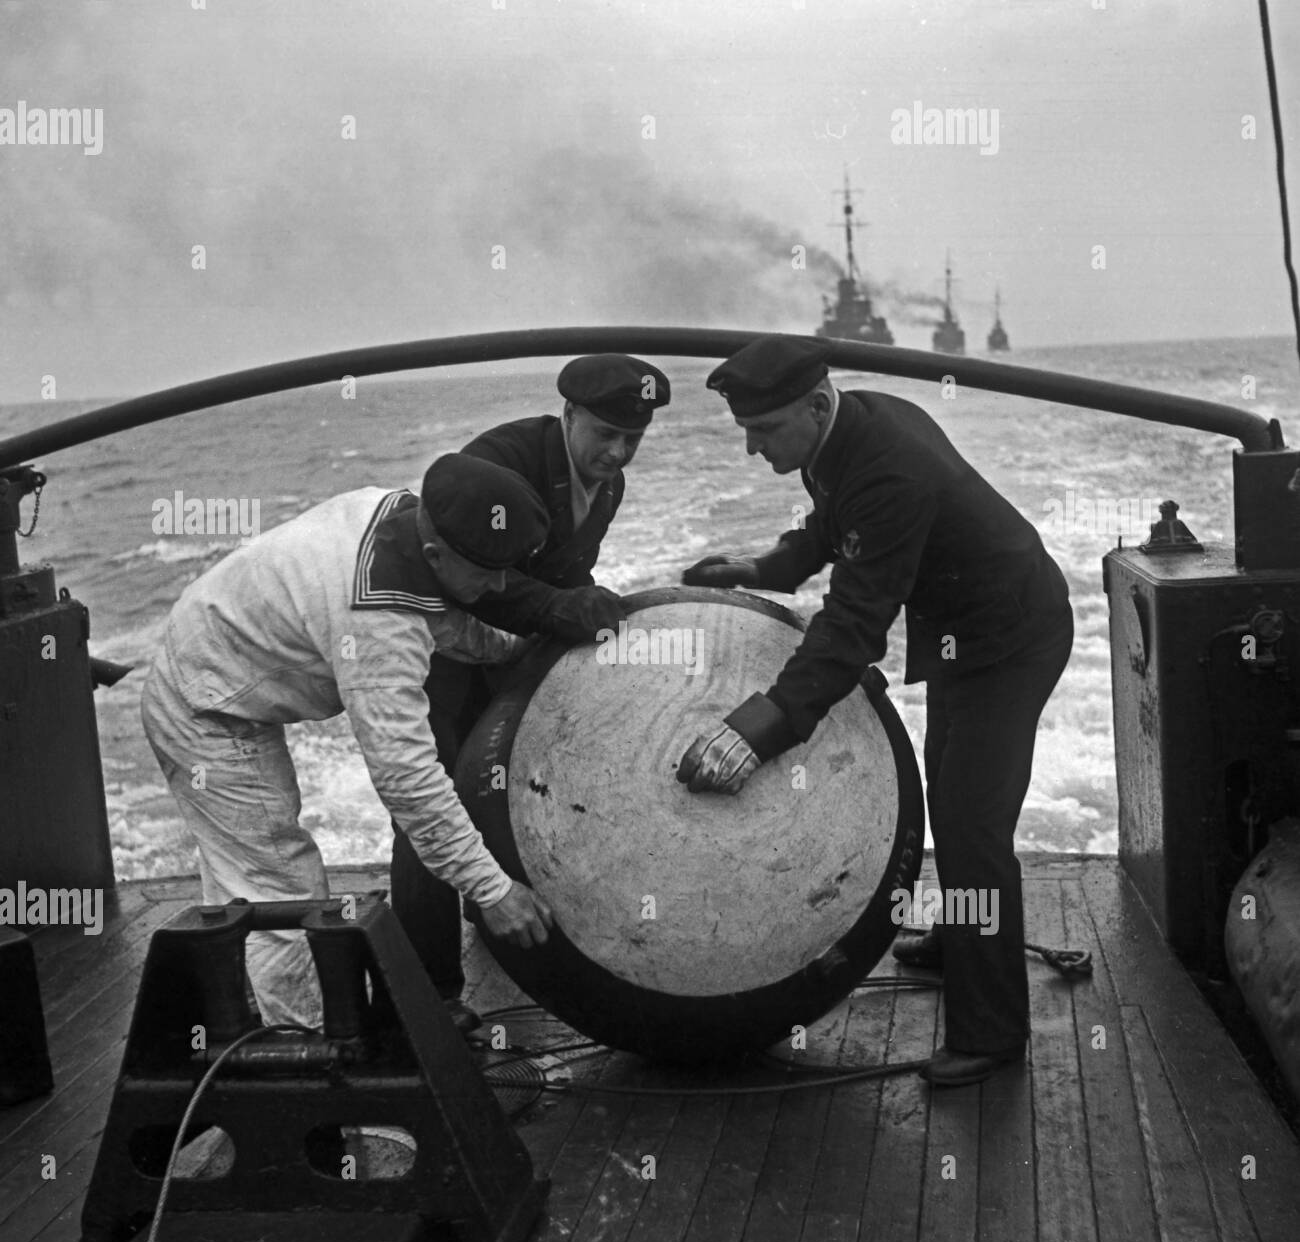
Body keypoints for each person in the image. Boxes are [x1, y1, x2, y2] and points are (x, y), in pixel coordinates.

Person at [677, 335, 1073, 1088]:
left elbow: (853, 627)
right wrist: (773, 567)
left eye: (763, 432)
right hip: (966, 634)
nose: (753, 450)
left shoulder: (887, 462)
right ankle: (963, 938)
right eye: (747, 433)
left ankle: (992, 1034)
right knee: (949, 789)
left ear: (817, 405)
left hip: (1010, 638)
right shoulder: (850, 429)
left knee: (971, 823)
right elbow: (839, 519)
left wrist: (759, 728)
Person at [141, 453, 557, 1032]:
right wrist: (492, 890)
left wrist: (519, 649)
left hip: (208, 660)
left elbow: (441, 620)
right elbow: (408, 781)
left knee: (241, 885)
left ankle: (235, 1027)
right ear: (437, 554)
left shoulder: (398, 517)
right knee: (279, 892)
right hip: (205, 708)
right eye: (489, 572)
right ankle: (306, 1072)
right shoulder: (376, 621)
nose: (501, 584)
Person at [389, 354, 672, 1028]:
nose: (617, 451)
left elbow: (570, 573)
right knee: (431, 806)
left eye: (632, 438)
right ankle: (431, 996)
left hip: (508, 656)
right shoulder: (501, 460)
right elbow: (480, 577)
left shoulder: (608, 485)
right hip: (444, 648)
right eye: (605, 433)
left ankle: (498, 923)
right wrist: (561, 610)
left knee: (505, 788)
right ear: (568, 414)